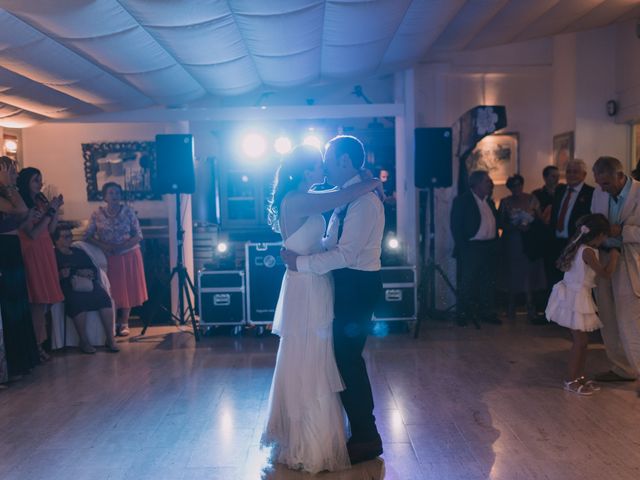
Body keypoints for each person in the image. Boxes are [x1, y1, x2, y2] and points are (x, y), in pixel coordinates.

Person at [261, 143, 383, 473]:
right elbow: (338, 200)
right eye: (318, 164)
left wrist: (367, 183)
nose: (324, 168)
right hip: (308, 283)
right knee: (315, 354)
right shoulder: (304, 200)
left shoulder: (342, 200)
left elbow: (334, 244)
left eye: (326, 162)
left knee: (330, 355)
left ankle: (355, 434)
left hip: (325, 281)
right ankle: (310, 435)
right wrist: (370, 181)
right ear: (304, 170)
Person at [546, 214, 619, 395]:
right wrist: (615, 257)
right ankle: (571, 380)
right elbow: (605, 274)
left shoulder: (581, 247)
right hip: (576, 298)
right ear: (599, 235)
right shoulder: (587, 251)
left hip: (576, 295)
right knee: (580, 343)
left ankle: (579, 376)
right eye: (605, 235)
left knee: (583, 342)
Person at [590, 156, 640, 384]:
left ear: (621, 176)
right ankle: (621, 368)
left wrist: (623, 232)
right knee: (608, 318)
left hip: (630, 262)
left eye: (607, 184)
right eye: (599, 183)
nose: (602, 188)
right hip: (604, 263)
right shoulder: (598, 192)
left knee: (630, 320)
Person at [84, 182, 148, 337]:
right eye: (111, 193)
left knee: (127, 288)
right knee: (111, 289)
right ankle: (111, 322)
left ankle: (124, 322)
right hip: (106, 256)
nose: (115, 196)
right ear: (104, 196)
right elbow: (88, 236)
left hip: (128, 255)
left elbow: (138, 235)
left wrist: (122, 247)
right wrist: (104, 246)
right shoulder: (97, 214)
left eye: (118, 193)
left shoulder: (128, 212)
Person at [16, 167, 65, 362]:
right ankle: (36, 346)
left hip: (46, 249)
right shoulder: (22, 205)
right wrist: (50, 212)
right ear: (26, 182)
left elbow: (51, 229)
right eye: (36, 180)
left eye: (41, 180)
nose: (40, 183)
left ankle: (40, 342)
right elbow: (32, 233)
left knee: (47, 299)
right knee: (38, 299)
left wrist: (55, 211)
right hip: (32, 251)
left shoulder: (40, 201)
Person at [0, 157, 39, 381]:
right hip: (3, 250)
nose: (15, 176)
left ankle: (22, 360)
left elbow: (22, 214)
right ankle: (11, 364)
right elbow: (21, 208)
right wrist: (8, 185)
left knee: (18, 302)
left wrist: (8, 186)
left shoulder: (8, 193)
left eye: (13, 173)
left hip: (12, 248)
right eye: (10, 172)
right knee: (9, 305)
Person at [53, 224, 119, 354]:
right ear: (56, 240)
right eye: (65, 236)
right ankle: (84, 341)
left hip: (88, 284)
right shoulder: (54, 255)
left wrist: (88, 272)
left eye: (70, 236)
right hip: (69, 286)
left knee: (104, 298)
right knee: (78, 302)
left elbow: (93, 268)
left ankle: (110, 339)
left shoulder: (79, 251)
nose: (69, 239)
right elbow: (54, 274)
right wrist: (71, 273)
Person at [450, 170, 500, 326]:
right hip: (472, 247)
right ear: (477, 184)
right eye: (487, 181)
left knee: (488, 282)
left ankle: (487, 312)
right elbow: (456, 227)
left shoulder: (489, 202)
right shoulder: (463, 201)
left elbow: (496, 222)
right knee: (468, 282)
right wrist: (464, 248)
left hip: (488, 247)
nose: (490, 184)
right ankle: (463, 314)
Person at [498, 175, 546, 321]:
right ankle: (510, 307)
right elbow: (500, 223)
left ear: (522, 185)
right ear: (509, 188)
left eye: (518, 185)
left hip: (530, 240)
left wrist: (530, 225)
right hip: (513, 241)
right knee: (513, 273)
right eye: (513, 186)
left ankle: (530, 307)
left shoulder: (532, 199)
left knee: (530, 273)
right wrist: (514, 226)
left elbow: (540, 220)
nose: (516, 188)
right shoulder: (505, 202)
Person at [548, 159, 594, 287]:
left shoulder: (591, 193)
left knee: (573, 282)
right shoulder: (560, 190)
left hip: (575, 243)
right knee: (556, 282)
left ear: (584, 175)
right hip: (556, 242)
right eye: (568, 171)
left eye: (575, 172)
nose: (571, 175)